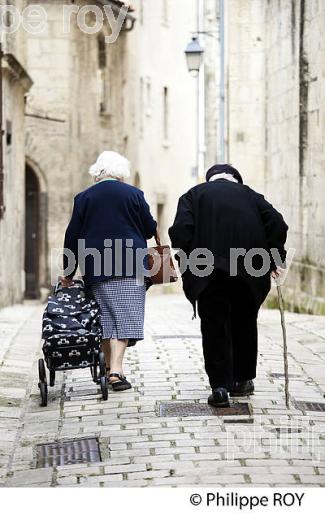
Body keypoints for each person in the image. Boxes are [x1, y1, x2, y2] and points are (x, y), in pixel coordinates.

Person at [169, 164, 288, 407]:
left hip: (208, 271)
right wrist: (275, 257)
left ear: (211, 179)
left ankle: (220, 386)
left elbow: (181, 231)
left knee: (214, 325)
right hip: (249, 271)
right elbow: (277, 223)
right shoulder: (252, 196)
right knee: (244, 322)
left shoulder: (193, 195)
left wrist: (189, 264)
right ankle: (242, 380)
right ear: (236, 180)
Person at [61, 151, 158, 391]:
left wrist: (69, 272)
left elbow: (72, 235)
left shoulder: (84, 197)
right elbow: (148, 229)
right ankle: (116, 370)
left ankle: (107, 369)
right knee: (124, 315)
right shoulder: (134, 194)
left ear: (98, 172)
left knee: (105, 316)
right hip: (131, 264)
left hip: (96, 265)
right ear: (121, 173)